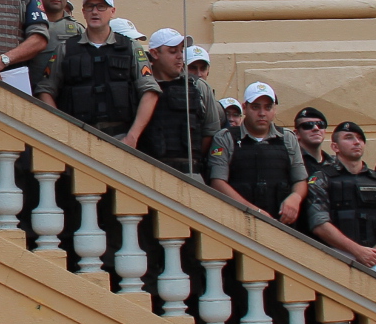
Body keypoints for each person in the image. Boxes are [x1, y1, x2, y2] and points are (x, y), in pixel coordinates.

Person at [37, 0, 155, 139]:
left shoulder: (131, 47)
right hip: (77, 137)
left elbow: (149, 91)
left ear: (112, 11)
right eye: (90, 6)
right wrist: (61, 130)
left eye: (101, 7)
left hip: (120, 136)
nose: (95, 11)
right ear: (83, 12)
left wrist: (132, 137)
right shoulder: (66, 48)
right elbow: (45, 89)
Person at [306, 122, 376, 270]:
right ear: (335, 147)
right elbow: (319, 223)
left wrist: (374, 254)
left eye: (360, 138)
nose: (356, 142)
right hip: (335, 263)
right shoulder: (322, 178)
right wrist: (357, 251)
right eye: (349, 137)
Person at [208, 82, 308, 225]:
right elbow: (217, 182)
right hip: (239, 223)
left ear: (274, 110)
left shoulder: (287, 137)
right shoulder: (225, 137)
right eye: (256, 107)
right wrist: (254, 212)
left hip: (282, 225)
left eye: (268, 107)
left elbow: (300, 179)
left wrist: (295, 197)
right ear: (245, 108)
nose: (262, 113)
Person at [129, 27, 221, 176]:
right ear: (154, 53)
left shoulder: (198, 87)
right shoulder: (138, 88)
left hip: (191, 172)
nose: (180, 57)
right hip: (149, 173)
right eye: (173, 51)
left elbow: (210, 132)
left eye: (181, 50)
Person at [293, 106, 329, 177]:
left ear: (325, 131)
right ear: (297, 134)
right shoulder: (292, 161)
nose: (316, 128)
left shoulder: (335, 163)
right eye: (308, 125)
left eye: (320, 125)